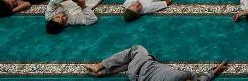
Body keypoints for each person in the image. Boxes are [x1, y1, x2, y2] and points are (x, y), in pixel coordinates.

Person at [85, 46, 228, 80]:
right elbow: (203, 79)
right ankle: (103, 73)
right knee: (130, 63)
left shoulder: (180, 76)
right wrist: (215, 71)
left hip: (143, 65)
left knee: (136, 50)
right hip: (134, 77)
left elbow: (192, 75)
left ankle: (100, 66)